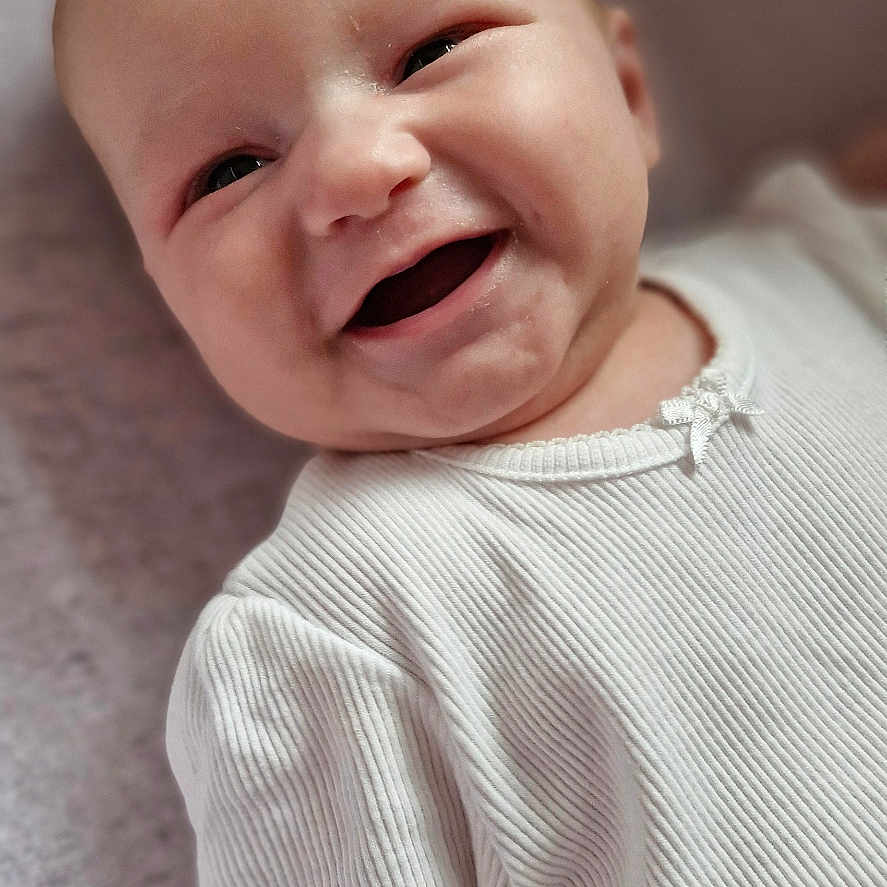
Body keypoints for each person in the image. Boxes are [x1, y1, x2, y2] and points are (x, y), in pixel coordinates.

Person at [51, 0, 887, 884]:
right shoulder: (326, 634)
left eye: (431, 53)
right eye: (229, 171)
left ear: (628, 89)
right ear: (170, 302)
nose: (355, 171)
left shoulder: (820, 256)